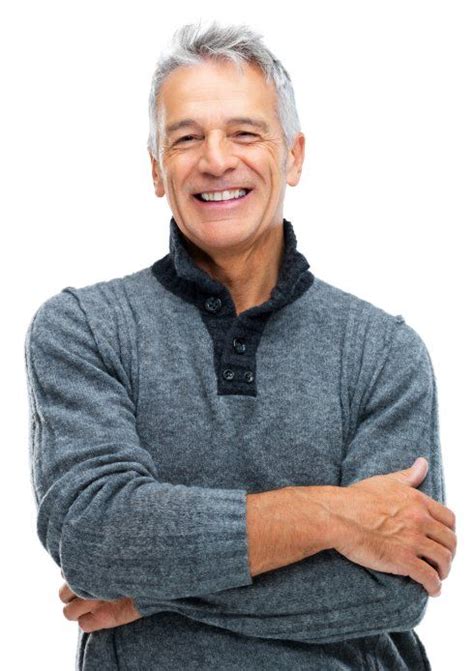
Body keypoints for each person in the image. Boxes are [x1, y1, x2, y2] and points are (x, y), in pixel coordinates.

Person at [24, 21, 456, 670]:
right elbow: (92, 535)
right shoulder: (84, 327)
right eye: (187, 137)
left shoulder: (382, 350)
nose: (217, 159)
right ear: (155, 170)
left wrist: (152, 596)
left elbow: (393, 584)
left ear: (294, 156)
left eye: (245, 132)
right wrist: (338, 515)